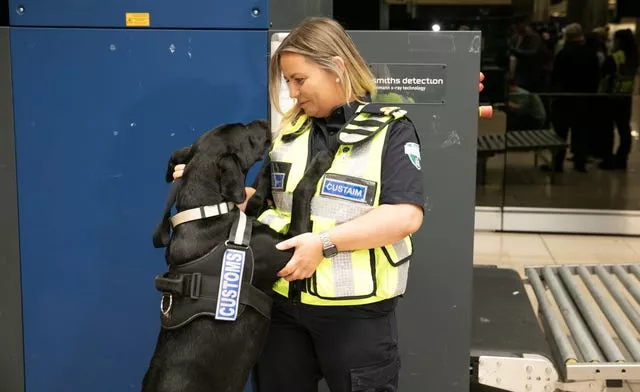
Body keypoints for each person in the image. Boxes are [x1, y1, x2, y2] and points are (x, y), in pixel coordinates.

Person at [172, 17, 483, 391]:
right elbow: (259, 204)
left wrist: (324, 244)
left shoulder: (391, 130)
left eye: (299, 80)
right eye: (287, 81)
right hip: (282, 306)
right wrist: (204, 181)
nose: (292, 91)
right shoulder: (289, 133)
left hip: (355, 316)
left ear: (336, 67)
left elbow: (404, 215)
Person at [599, 28, 638, 171]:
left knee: (607, 130)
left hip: (611, 97)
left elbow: (604, 75)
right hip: (626, 97)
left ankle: (608, 160)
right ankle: (622, 159)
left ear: (619, 41)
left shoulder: (615, 57)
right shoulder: (634, 58)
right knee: (624, 129)